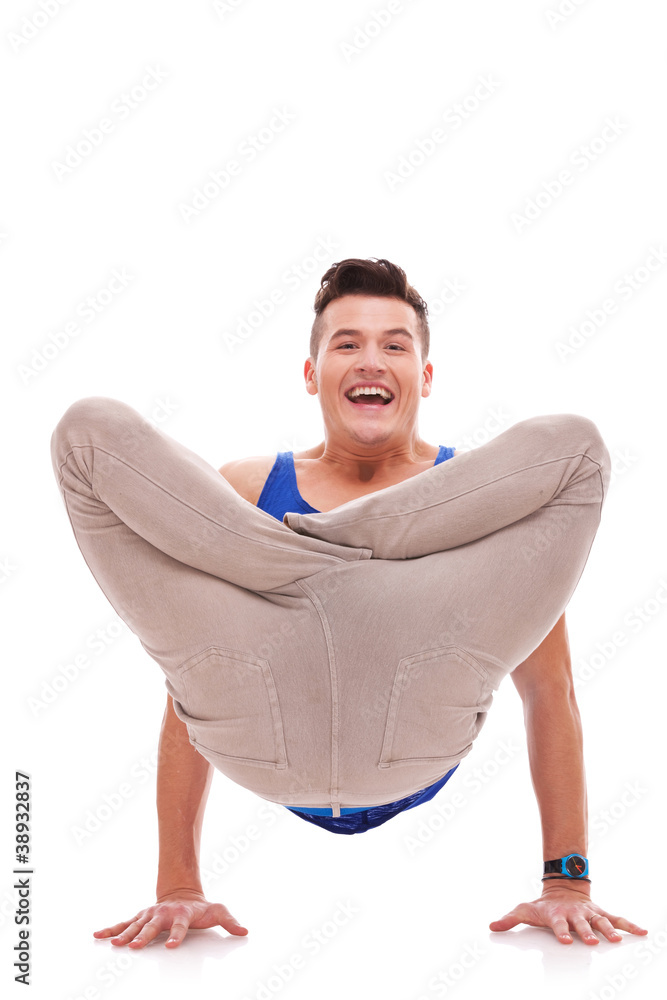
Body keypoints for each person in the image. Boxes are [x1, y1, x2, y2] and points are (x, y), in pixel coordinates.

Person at [50, 257, 647, 951]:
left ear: (424, 375)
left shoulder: (484, 494)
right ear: (312, 374)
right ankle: (342, 557)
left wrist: (567, 882)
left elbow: (550, 690)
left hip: (411, 731)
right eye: (346, 344)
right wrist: (177, 883)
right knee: (87, 430)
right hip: (261, 729)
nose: (371, 360)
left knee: (576, 446)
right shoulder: (245, 488)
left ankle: (314, 551)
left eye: (394, 344)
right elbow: (194, 678)